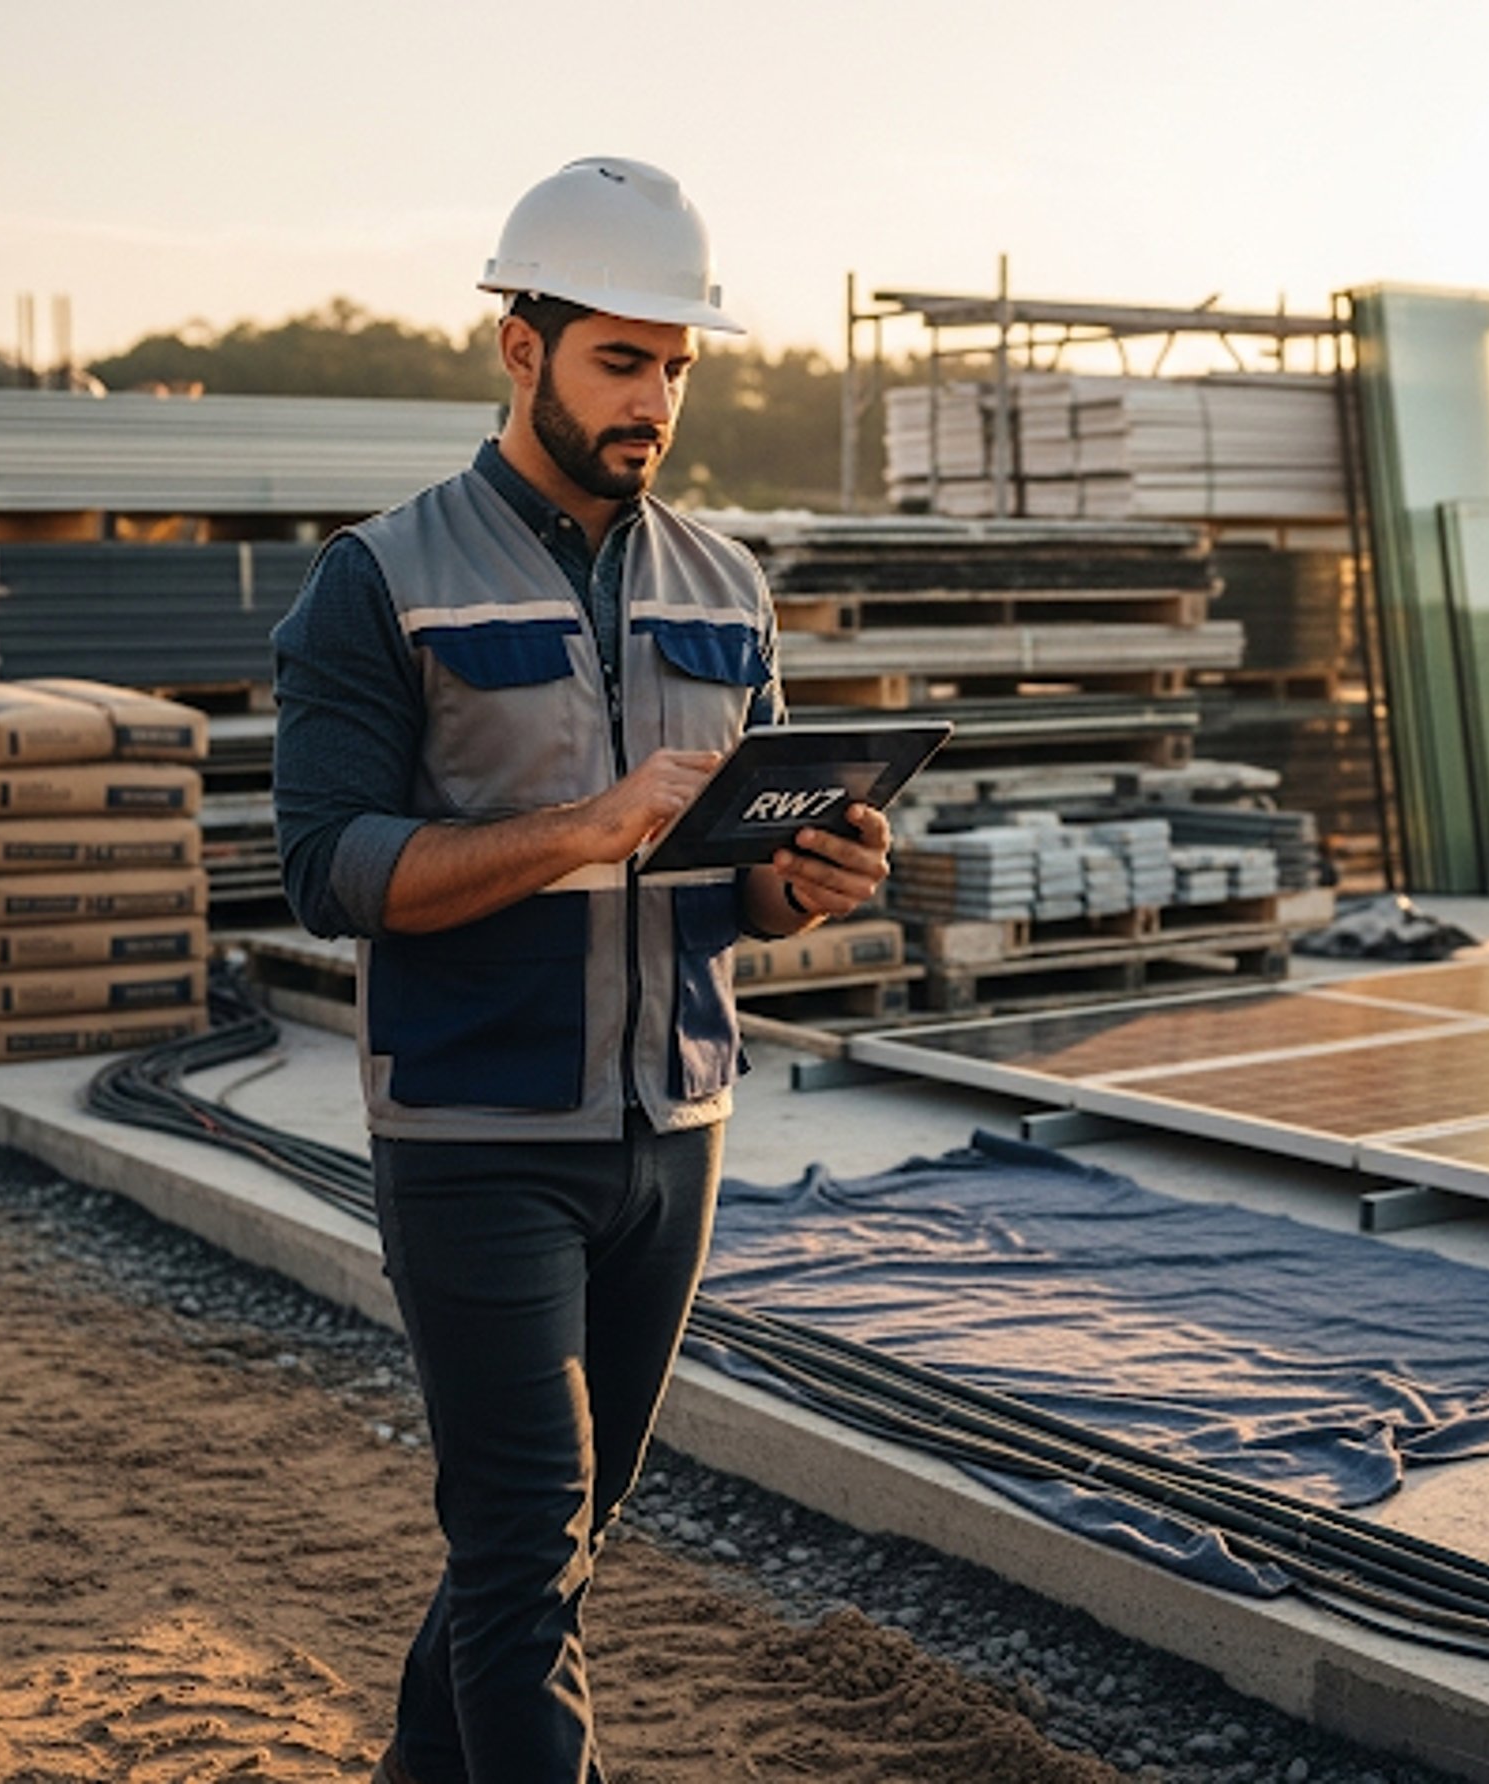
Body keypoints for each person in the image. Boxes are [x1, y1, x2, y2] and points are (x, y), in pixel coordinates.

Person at [270, 156, 890, 1784]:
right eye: (624, 359)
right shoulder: (380, 580)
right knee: (526, 1549)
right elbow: (331, 870)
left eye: (678, 366)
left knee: (547, 1543)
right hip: (477, 1132)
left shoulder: (729, 588)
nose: (656, 401)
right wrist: (585, 826)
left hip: (676, 1128)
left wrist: (800, 884)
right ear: (519, 346)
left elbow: (738, 890)